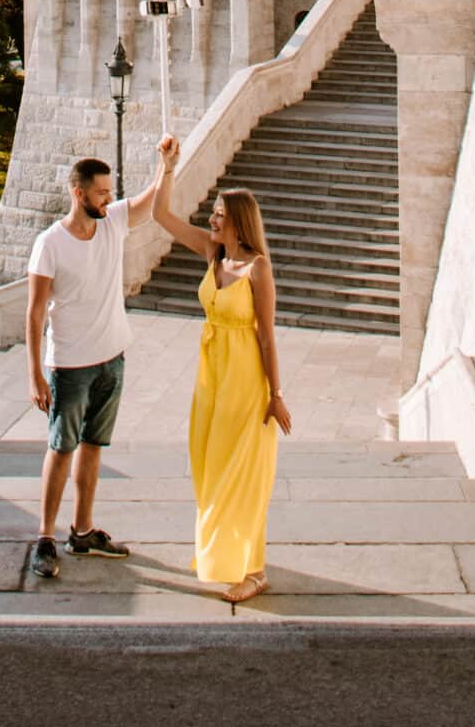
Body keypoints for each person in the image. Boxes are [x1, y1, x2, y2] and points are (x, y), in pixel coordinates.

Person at [153, 135, 292, 602]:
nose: (210, 218)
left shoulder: (257, 268)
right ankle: (229, 557)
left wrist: (276, 395)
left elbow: (268, 335)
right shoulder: (213, 254)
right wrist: (167, 167)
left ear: (236, 221)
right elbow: (161, 217)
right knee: (209, 470)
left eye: (217, 213)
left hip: (245, 381)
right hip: (211, 377)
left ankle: (253, 571)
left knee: (242, 475)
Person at [25, 153, 164, 580]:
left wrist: (166, 165)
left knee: (93, 447)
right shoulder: (50, 243)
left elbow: (153, 202)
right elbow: (34, 313)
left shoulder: (113, 222)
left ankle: (82, 531)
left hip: (112, 359)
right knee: (61, 449)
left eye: (110, 192)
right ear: (78, 192)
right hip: (69, 366)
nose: (109, 199)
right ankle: (45, 538)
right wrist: (35, 375)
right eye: (101, 193)